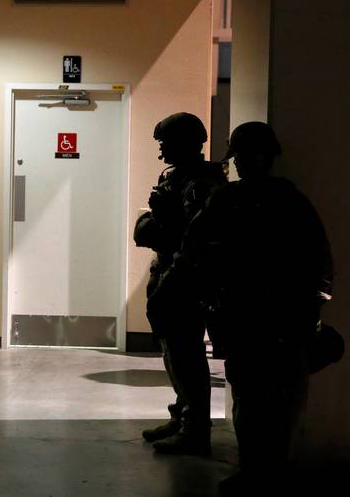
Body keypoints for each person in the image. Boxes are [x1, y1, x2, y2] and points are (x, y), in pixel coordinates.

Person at [175, 122, 333, 493]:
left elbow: (194, 251)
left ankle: (260, 470)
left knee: (257, 396)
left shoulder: (231, 201)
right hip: (269, 316)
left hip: (254, 315)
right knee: (274, 396)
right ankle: (268, 469)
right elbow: (321, 263)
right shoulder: (287, 200)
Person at [133, 112, 227, 455]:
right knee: (173, 353)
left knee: (187, 356)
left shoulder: (202, 184)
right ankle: (182, 415)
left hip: (186, 277)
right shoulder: (177, 177)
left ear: (188, 144)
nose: (161, 152)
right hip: (169, 269)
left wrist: (159, 223)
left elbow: (196, 237)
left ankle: (195, 429)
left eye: (166, 144)